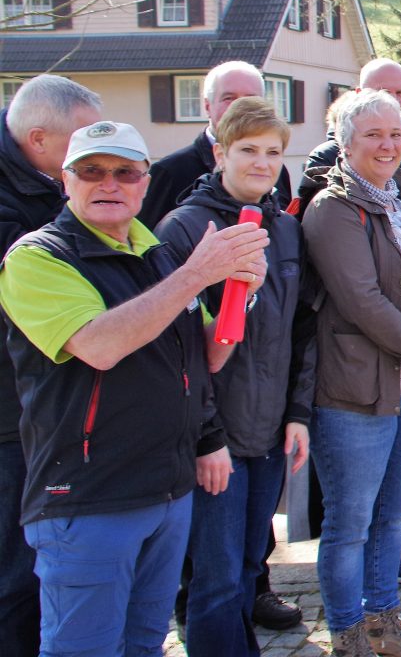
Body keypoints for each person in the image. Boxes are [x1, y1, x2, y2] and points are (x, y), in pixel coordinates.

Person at [0, 120, 268, 656]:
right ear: (66, 181)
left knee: (145, 643)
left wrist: (243, 293)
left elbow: (207, 355)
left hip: (167, 492)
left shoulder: (156, 253)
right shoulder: (37, 257)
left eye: (125, 172)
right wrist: (197, 275)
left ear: (145, 183)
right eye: (91, 171)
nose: (109, 183)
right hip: (89, 499)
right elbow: (99, 346)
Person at [302, 90, 401, 657]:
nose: (388, 145)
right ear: (345, 143)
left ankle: (384, 626)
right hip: (354, 392)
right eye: (372, 135)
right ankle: (347, 634)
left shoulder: (399, 200)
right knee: (349, 523)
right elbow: (363, 300)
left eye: (395, 134)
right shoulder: (332, 210)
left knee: (390, 516)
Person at [154, 99, 314, 656]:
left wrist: (298, 414)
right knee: (215, 579)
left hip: (269, 434)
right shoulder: (184, 230)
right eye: (248, 150)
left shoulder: (286, 229)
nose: (262, 162)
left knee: (250, 567)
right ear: (220, 152)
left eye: (273, 152)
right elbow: (174, 353)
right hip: (214, 442)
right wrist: (206, 437)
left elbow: (301, 332)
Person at [0, 75, 102, 657]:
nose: (96, 163)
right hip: (13, 415)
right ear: (39, 139)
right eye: (83, 147)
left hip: (52, 406)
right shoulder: (20, 216)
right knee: (16, 574)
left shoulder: (42, 182)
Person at [304, 58, 401, 260]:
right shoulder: (327, 158)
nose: (394, 101)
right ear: (358, 94)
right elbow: (328, 246)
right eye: (383, 92)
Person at [140, 61, 293, 229]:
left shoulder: (276, 171)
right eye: (229, 98)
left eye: (250, 99)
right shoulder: (170, 172)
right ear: (207, 106)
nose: (240, 107)